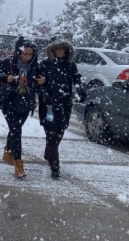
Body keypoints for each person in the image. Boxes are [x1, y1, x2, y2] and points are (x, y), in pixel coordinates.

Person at [0, 36, 40, 179]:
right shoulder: (8, 63)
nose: (27, 57)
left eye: (30, 54)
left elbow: (41, 83)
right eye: (25, 54)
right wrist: (5, 78)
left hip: (25, 104)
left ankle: (8, 150)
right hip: (9, 102)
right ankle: (18, 164)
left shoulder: (35, 67)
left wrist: (41, 82)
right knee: (16, 130)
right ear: (19, 52)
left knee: (15, 129)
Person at [36, 35, 86, 179]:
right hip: (49, 106)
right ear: (52, 50)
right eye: (57, 48)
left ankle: (49, 152)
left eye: (63, 48)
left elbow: (77, 78)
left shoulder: (70, 65)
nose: (60, 51)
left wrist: (80, 89)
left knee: (60, 131)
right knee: (51, 133)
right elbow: (38, 84)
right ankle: (55, 166)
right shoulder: (45, 65)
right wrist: (45, 95)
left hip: (64, 105)